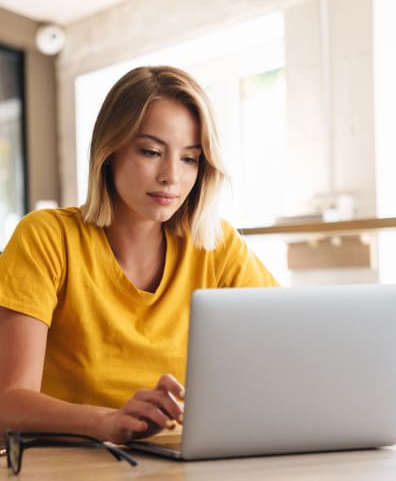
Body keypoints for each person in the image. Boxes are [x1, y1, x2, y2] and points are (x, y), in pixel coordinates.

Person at [0, 65, 278, 444]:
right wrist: (108, 421)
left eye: (189, 158)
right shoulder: (48, 237)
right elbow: (9, 403)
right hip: (71, 462)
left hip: (177, 461)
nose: (171, 177)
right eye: (151, 152)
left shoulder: (216, 245)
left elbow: (288, 348)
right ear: (109, 151)